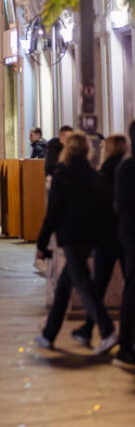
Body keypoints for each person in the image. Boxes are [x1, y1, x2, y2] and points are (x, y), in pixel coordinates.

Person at [34, 131, 119, 354]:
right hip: (89, 237)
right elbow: (103, 208)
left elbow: (53, 214)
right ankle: (48, 334)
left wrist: (42, 244)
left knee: (83, 284)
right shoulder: (93, 175)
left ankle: (108, 330)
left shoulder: (61, 176)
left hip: (70, 237)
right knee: (64, 286)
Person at [73, 134, 128, 346]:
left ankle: (89, 329)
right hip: (124, 236)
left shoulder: (102, 173)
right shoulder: (125, 170)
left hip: (105, 238)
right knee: (129, 285)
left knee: (98, 286)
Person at [114, 121, 135, 365]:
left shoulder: (125, 167)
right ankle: (125, 345)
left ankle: (126, 344)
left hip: (128, 234)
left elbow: (118, 204)